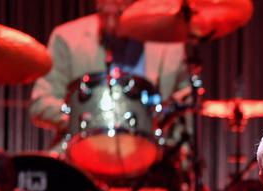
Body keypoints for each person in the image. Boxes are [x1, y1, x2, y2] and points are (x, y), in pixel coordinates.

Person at [29, 0, 188, 135]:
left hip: (151, 159)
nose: (111, 14)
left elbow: (185, 114)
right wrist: (85, 117)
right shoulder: (67, 38)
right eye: (104, 10)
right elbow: (41, 104)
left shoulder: (170, 44)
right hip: (83, 157)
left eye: (119, 10)